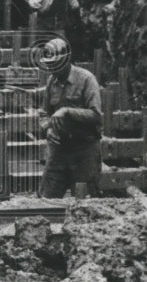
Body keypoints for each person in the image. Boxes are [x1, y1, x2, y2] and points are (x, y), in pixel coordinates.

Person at [38, 37, 103, 198]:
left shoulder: (86, 79)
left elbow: (96, 115)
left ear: (67, 59)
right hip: (59, 150)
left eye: (56, 64)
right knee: (46, 199)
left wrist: (67, 111)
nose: (52, 69)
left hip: (84, 150)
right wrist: (47, 129)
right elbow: (44, 113)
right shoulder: (51, 82)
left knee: (84, 205)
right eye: (50, 65)